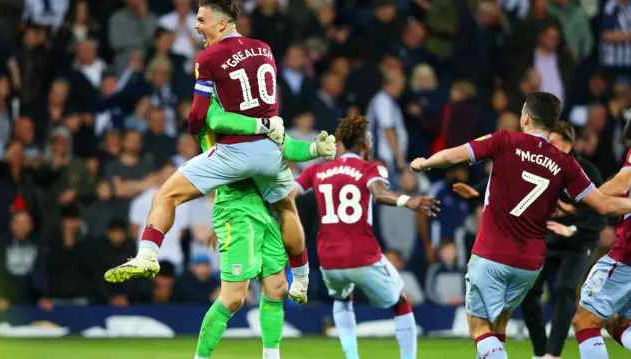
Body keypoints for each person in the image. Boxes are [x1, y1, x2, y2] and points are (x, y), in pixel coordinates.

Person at [104, 0, 313, 303]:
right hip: (271, 148)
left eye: (202, 20)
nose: (196, 26)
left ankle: (148, 254)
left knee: (166, 194)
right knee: (287, 210)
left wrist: (197, 129)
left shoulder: (210, 56)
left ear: (222, 24)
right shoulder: (264, 48)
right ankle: (303, 279)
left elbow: (198, 115)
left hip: (234, 151)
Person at [410, 91, 631, 359]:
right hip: (528, 264)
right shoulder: (566, 163)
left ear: (525, 117)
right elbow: (605, 205)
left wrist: (425, 163)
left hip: (491, 254)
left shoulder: (504, 140)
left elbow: (454, 156)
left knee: (479, 327)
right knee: (498, 327)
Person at [193, 93, 336, 359]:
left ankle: (271, 355)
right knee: (234, 297)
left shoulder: (256, 112)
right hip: (235, 206)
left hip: (264, 208)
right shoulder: (216, 113)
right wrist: (262, 124)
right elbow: (214, 120)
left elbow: (284, 145)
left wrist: (315, 150)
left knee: (277, 287)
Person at [454, 121, 606, 359]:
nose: (549, 146)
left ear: (568, 143)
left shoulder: (581, 169)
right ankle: (540, 351)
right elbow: (512, 181)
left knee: (565, 288)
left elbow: (600, 215)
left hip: (580, 243)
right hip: (550, 241)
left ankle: (552, 355)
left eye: (554, 142)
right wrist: (477, 191)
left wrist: (574, 230)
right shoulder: (543, 163)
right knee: (530, 291)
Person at [294, 115, 440, 359]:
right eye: (370, 139)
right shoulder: (370, 168)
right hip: (362, 255)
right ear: (365, 143)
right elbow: (380, 193)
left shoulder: (316, 170)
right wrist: (408, 200)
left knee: (342, 299)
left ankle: (352, 357)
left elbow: (288, 194)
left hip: (328, 260)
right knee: (401, 300)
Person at [572, 146, 631, 358]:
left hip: (627, 258)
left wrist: (583, 200)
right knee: (619, 322)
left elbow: (621, 184)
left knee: (585, 320)